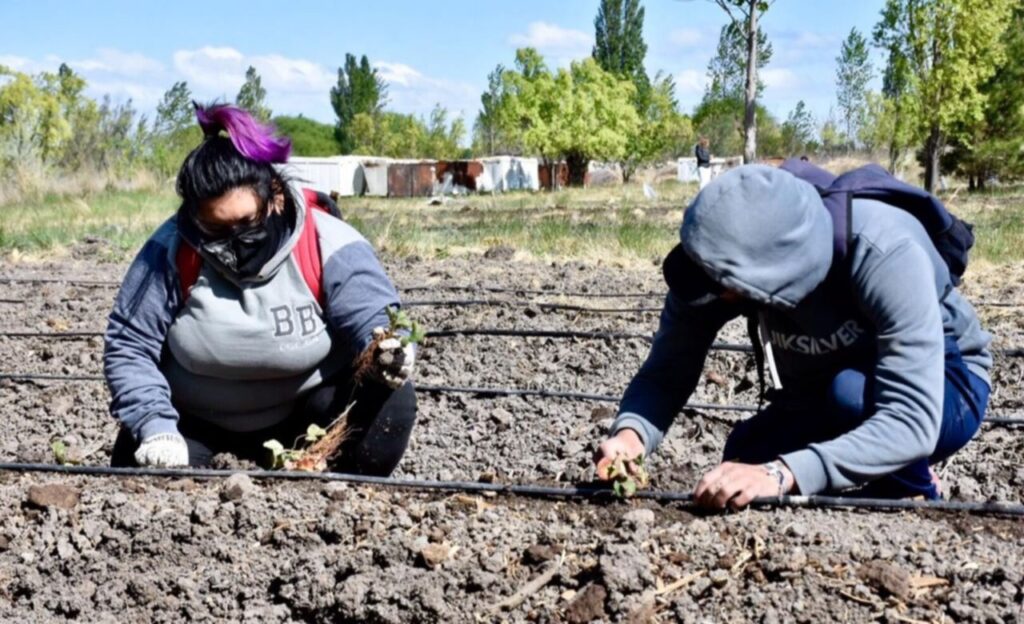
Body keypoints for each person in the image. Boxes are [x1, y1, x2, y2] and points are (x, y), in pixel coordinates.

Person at [594, 165, 992, 508]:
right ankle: (872, 471)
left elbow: (911, 417)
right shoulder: (717, 262)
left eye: (720, 284)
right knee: (744, 456)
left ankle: (914, 489)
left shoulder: (882, 249)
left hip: (946, 385)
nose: (710, 292)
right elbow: (668, 369)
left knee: (849, 396)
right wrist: (631, 436)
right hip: (826, 384)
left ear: (770, 275)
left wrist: (783, 475)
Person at [104, 104, 416, 475]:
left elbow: (374, 319)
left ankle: (343, 494)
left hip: (308, 427)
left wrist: (388, 350)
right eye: (215, 230)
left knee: (391, 398)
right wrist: (155, 428)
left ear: (276, 195)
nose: (235, 241)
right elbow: (129, 345)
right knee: (142, 472)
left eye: (247, 222)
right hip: (195, 425)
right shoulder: (170, 251)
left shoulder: (326, 241)